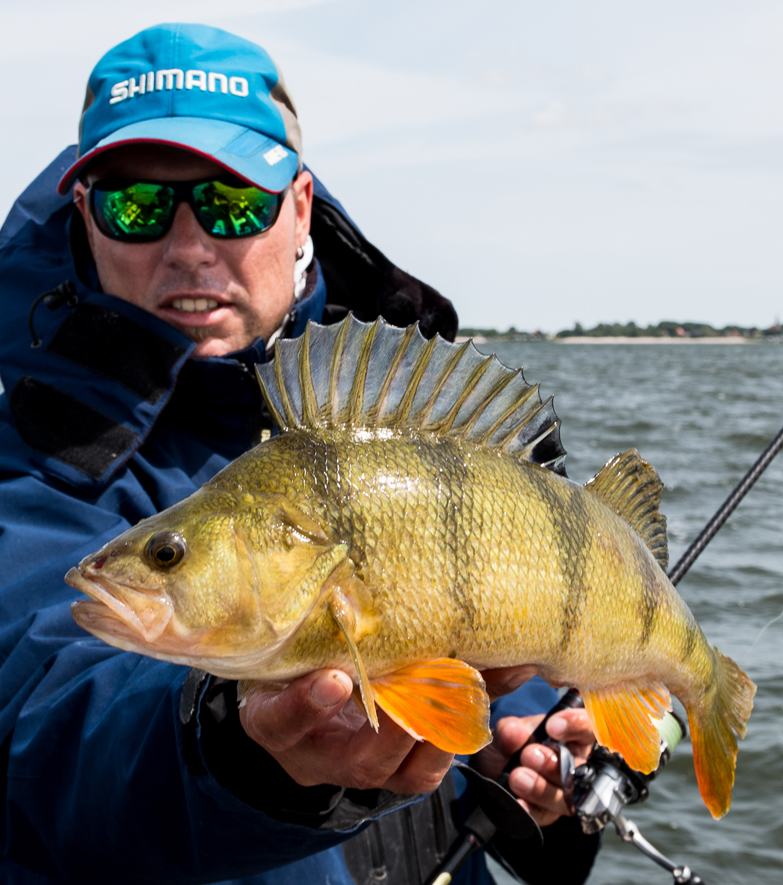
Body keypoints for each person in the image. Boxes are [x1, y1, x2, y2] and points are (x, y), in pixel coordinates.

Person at [0, 23, 601, 885]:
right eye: (135, 205)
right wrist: (233, 748)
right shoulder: (20, 465)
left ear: (300, 208)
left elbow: (499, 630)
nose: (189, 245)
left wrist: (536, 763)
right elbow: (45, 728)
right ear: (85, 223)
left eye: (234, 200)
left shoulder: (405, 421)